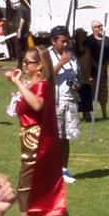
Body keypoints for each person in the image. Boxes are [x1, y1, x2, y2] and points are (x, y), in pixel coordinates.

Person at [2, 48, 84, 216]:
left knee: (29, 186)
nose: (24, 66)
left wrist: (18, 83)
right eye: (23, 62)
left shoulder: (43, 85)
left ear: (39, 65)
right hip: (30, 139)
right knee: (33, 186)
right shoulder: (34, 84)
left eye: (28, 63)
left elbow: (37, 105)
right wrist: (20, 83)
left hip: (38, 142)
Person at [48, 26, 80, 183]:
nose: (66, 44)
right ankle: (51, 169)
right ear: (53, 41)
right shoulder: (47, 55)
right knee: (54, 137)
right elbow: (44, 76)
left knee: (66, 137)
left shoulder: (71, 56)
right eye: (63, 41)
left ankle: (64, 169)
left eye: (67, 41)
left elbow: (76, 73)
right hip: (54, 101)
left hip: (70, 100)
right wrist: (60, 63)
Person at [85, 20, 109, 119]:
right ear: (93, 28)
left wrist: (106, 63)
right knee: (90, 92)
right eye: (97, 26)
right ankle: (87, 114)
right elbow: (86, 56)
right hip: (91, 71)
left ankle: (104, 114)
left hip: (103, 70)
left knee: (103, 92)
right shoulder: (89, 40)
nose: (100, 28)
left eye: (101, 26)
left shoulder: (106, 40)